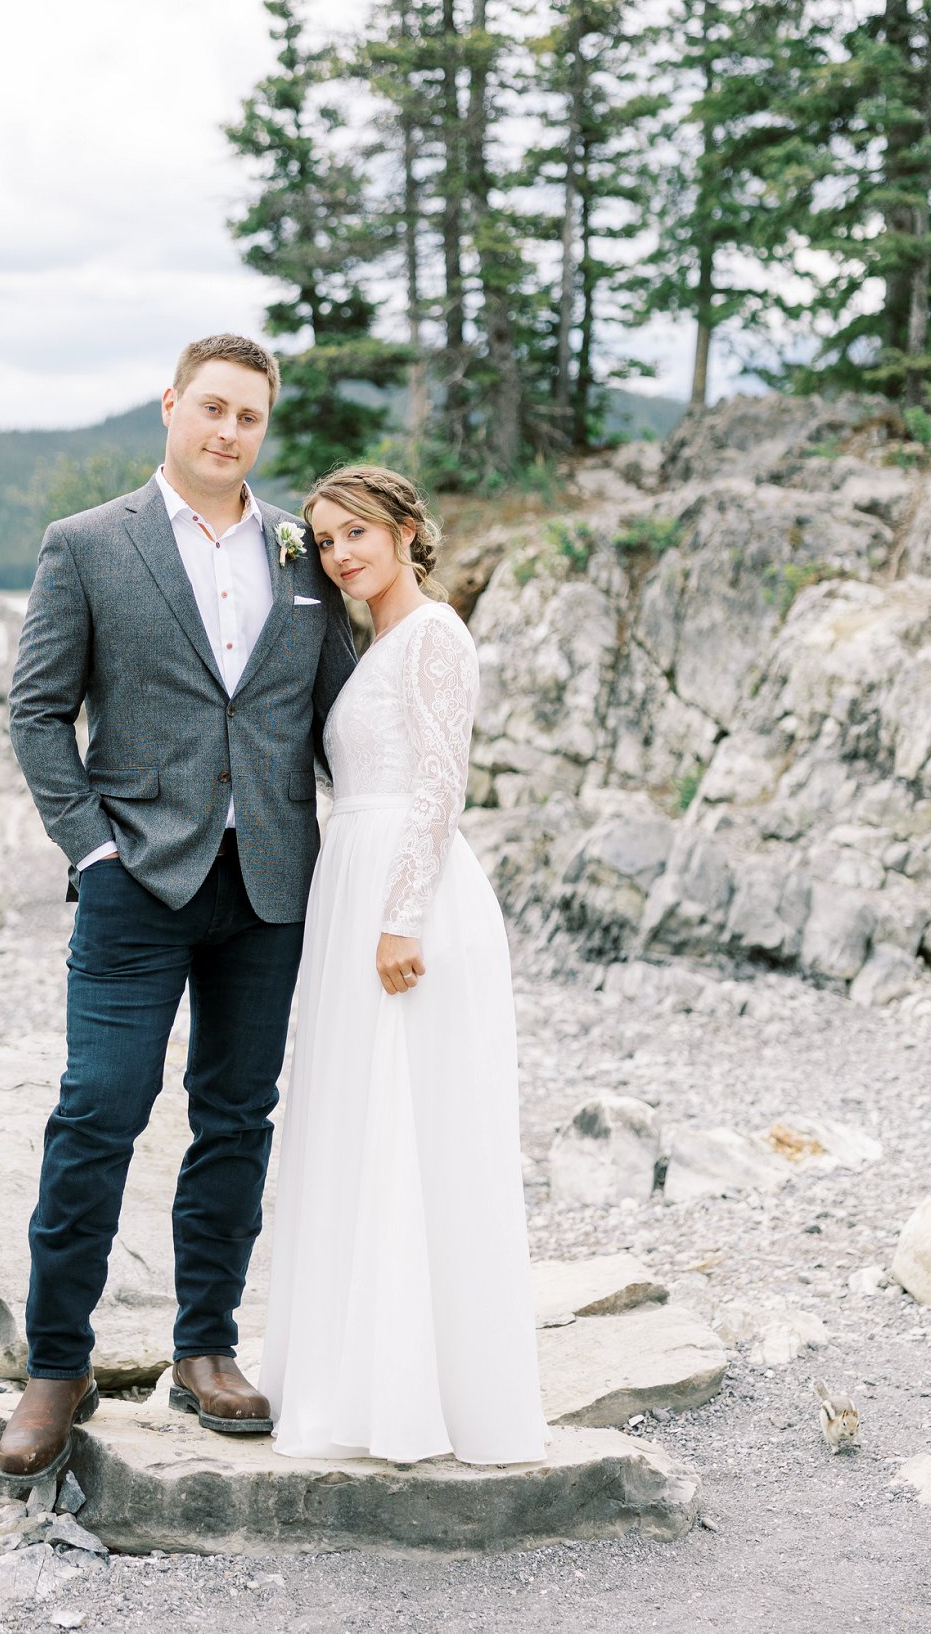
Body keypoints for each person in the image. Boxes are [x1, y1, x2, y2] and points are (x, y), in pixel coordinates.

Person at [0, 333, 356, 1486]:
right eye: (210, 408)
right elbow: (38, 713)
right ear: (169, 406)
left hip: (268, 892)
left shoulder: (306, 552)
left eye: (248, 416)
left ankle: (206, 1348)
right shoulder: (89, 545)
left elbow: (344, 711)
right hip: (133, 886)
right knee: (96, 1114)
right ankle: (57, 1365)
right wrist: (92, 851)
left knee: (236, 1117)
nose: (227, 432)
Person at [259, 464, 550, 1466]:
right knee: (356, 1119)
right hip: (356, 881)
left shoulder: (432, 635)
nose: (339, 555)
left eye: (356, 535)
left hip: (402, 897)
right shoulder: (367, 641)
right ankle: (354, 1372)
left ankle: (413, 1395)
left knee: (401, 1122)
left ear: (405, 530)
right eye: (325, 539)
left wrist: (399, 918)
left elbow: (438, 781)